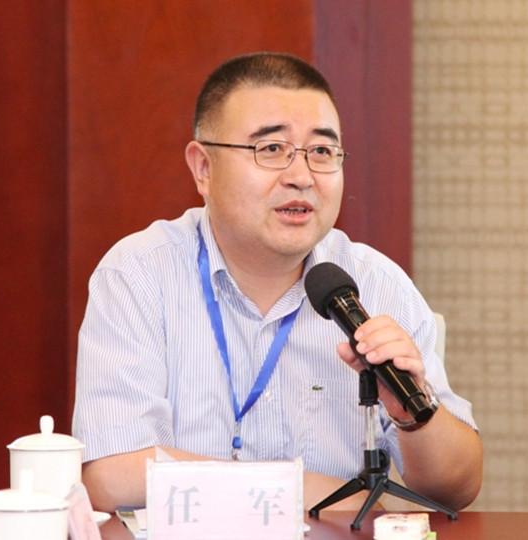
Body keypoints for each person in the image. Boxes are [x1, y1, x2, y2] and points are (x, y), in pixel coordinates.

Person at [72, 51, 483, 514]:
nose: (301, 177)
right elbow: (112, 476)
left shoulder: (377, 284)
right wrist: (322, 494)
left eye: (322, 152)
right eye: (271, 149)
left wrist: (413, 416)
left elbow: (457, 489)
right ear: (203, 168)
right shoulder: (139, 274)